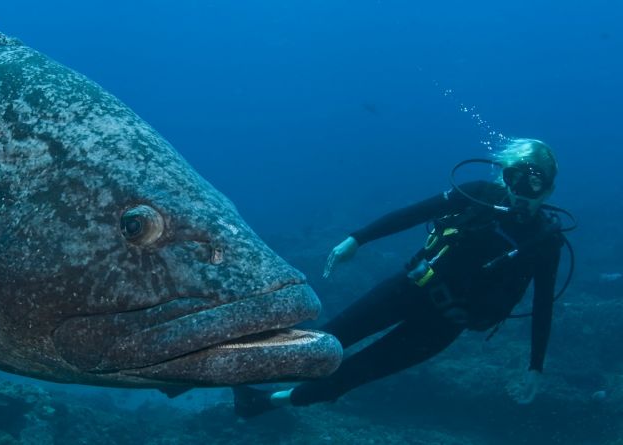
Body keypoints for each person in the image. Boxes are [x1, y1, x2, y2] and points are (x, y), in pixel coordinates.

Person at [234, 138, 568, 417]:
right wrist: (358, 238)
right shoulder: (479, 194)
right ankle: (220, 371)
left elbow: (543, 306)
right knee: (323, 344)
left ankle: (260, 402)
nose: (519, 191)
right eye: (513, 178)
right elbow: (415, 213)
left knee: (351, 376)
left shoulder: (546, 241)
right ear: (504, 177)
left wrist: (535, 366)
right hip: (412, 288)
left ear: (549, 189)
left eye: (533, 183)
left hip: (444, 324)